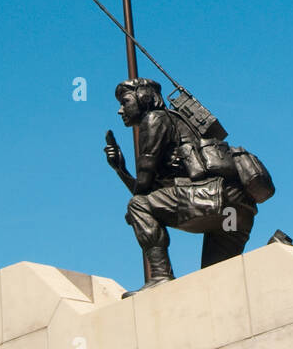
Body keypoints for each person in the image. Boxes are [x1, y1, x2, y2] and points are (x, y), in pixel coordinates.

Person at [104, 77, 255, 292]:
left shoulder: (154, 119)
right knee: (217, 285)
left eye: (125, 101)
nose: (121, 110)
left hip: (212, 199)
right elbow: (151, 193)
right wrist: (121, 170)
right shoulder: (179, 122)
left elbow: (144, 189)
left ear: (143, 97)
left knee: (137, 206)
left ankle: (161, 276)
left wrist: (124, 172)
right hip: (238, 207)